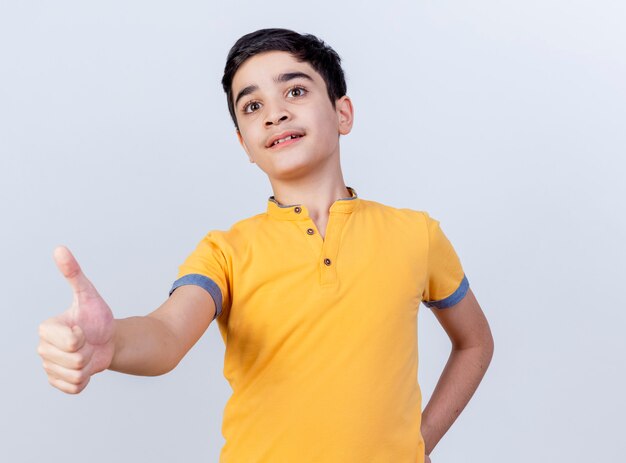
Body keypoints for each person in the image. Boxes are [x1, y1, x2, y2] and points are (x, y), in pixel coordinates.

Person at [37, 28, 494, 463]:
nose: (274, 113)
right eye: (252, 106)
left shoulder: (416, 234)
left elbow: (475, 343)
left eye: (295, 91)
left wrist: (418, 442)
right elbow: (168, 334)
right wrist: (110, 342)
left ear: (342, 113)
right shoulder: (225, 252)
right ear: (245, 145)